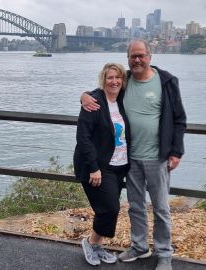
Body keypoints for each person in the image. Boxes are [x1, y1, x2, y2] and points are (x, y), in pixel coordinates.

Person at [81, 39, 186, 270]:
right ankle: (139, 246)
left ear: (150, 56)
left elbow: (179, 119)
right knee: (135, 206)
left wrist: (176, 151)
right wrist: (84, 95)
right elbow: (105, 89)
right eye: (133, 56)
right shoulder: (125, 81)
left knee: (160, 208)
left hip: (158, 157)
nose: (137, 60)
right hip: (131, 159)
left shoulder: (166, 81)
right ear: (128, 58)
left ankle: (164, 253)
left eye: (141, 55)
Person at [74, 63, 129, 266]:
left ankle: (97, 245)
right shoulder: (93, 102)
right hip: (98, 165)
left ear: (123, 80)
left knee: (108, 208)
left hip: (120, 165)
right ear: (103, 80)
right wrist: (94, 167)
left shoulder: (124, 100)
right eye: (110, 77)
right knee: (110, 208)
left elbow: (145, 75)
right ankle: (90, 242)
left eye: (118, 78)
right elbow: (83, 137)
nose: (114, 81)